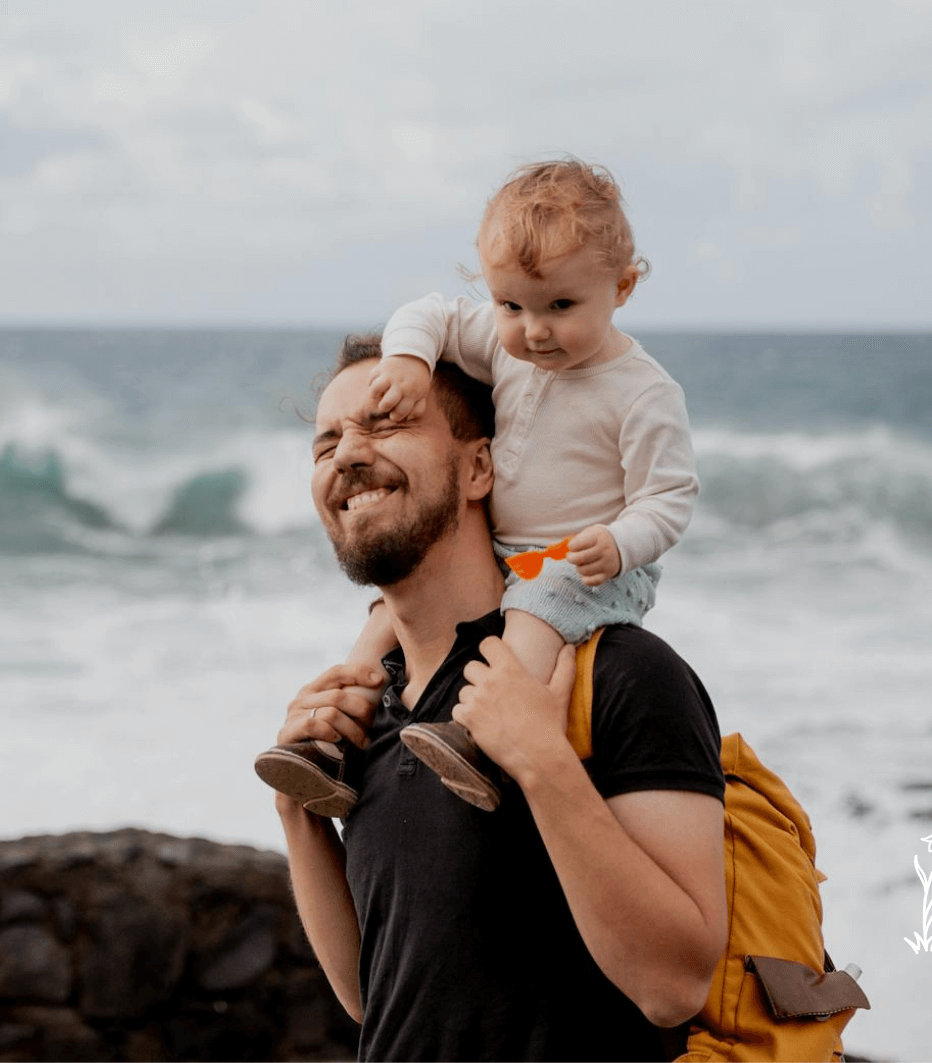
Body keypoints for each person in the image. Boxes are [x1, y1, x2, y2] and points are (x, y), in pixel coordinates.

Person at [269, 333, 726, 1060]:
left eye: (386, 423)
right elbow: (377, 997)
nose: (347, 456)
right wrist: (299, 817)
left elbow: (673, 984)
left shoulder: (619, 673)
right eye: (326, 445)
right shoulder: (372, 717)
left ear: (480, 465)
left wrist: (541, 763)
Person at [256, 158, 698, 814]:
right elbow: (427, 314)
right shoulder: (505, 345)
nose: (533, 330)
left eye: (561, 306)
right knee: (386, 618)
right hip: (511, 550)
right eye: (510, 304)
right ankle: (336, 742)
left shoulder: (643, 393)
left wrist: (621, 541)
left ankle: (476, 742)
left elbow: (669, 497)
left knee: (534, 604)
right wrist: (407, 363)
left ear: (624, 287)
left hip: (586, 562)